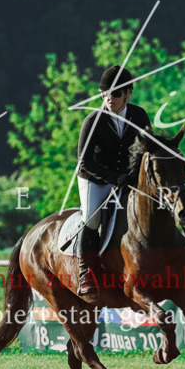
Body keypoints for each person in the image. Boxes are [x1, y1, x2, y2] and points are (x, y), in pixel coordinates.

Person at [75, 65, 153, 295]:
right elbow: (84, 161)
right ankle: (86, 273)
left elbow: (148, 150)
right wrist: (115, 177)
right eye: (104, 94)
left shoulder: (139, 116)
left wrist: (136, 176)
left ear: (128, 93)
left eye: (115, 94)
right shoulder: (92, 121)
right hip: (95, 178)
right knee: (92, 218)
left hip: (127, 178)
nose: (109, 98)